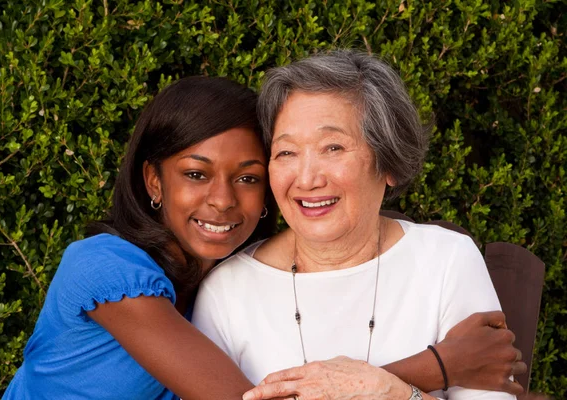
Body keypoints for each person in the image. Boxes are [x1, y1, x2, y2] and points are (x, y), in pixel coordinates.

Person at [3, 75, 523, 400]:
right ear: (153, 181)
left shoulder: (207, 281)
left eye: (248, 176)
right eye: (195, 173)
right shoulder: (104, 270)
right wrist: (436, 368)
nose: (224, 200)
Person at [192, 50, 522, 400]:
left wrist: (391, 392)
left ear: (389, 161)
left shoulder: (445, 261)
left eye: (333, 147)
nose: (306, 179)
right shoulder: (227, 293)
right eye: (286, 152)